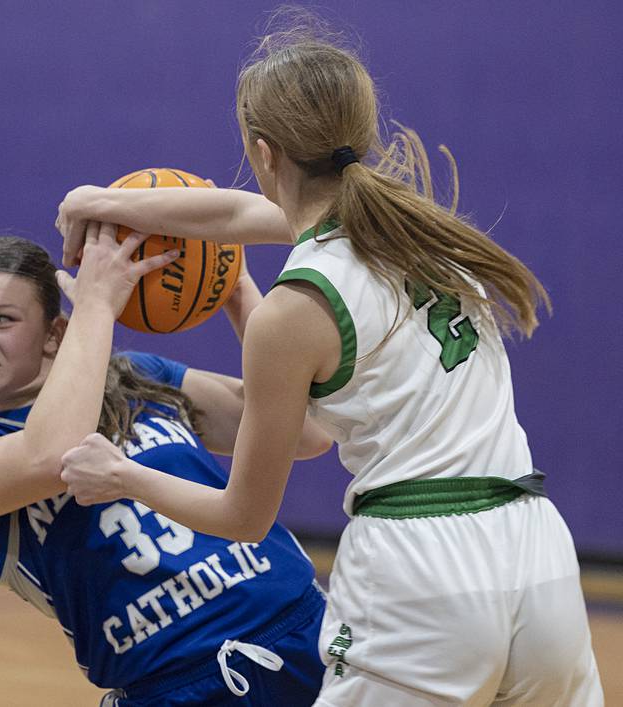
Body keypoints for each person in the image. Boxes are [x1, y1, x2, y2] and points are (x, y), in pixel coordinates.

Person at [53, 20, 604, 707]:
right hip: (535, 550)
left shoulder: (295, 310)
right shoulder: (413, 228)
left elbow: (243, 515)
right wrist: (102, 200)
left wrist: (121, 473)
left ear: (263, 152)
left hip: (422, 568)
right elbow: (233, 213)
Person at [0, 230, 333, 706]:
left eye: (2, 320)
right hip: (177, 688)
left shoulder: (139, 377)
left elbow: (306, 433)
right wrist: (96, 306)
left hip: (306, 635)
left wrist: (233, 290)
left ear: (54, 332)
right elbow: (53, 454)